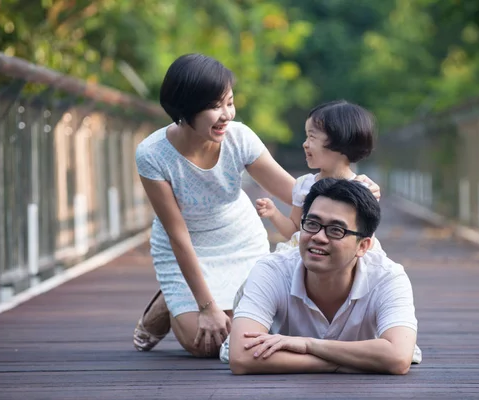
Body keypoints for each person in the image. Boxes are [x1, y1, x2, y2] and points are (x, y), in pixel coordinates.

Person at [132, 53, 380, 358]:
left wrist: (354, 190)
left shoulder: (239, 138)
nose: (227, 115)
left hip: (238, 239)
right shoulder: (152, 154)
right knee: (202, 344)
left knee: (246, 332)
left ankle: (193, 296)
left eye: (229, 102)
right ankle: (172, 298)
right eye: (214, 107)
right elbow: (177, 234)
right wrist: (207, 307)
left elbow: (297, 194)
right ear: (185, 108)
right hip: (185, 244)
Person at [229, 178, 418, 374]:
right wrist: (338, 363)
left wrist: (308, 345)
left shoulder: (388, 278)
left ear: (363, 246)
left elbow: (397, 357)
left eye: (336, 230)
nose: (318, 237)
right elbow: (241, 356)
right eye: (311, 224)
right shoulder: (272, 270)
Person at [255, 100, 384, 255]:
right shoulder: (304, 184)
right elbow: (295, 232)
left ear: (340, 140)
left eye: (312, 137)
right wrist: (273, 213)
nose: (305, 144)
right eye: (306, 136)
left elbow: (364, 238)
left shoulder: (362, 189)